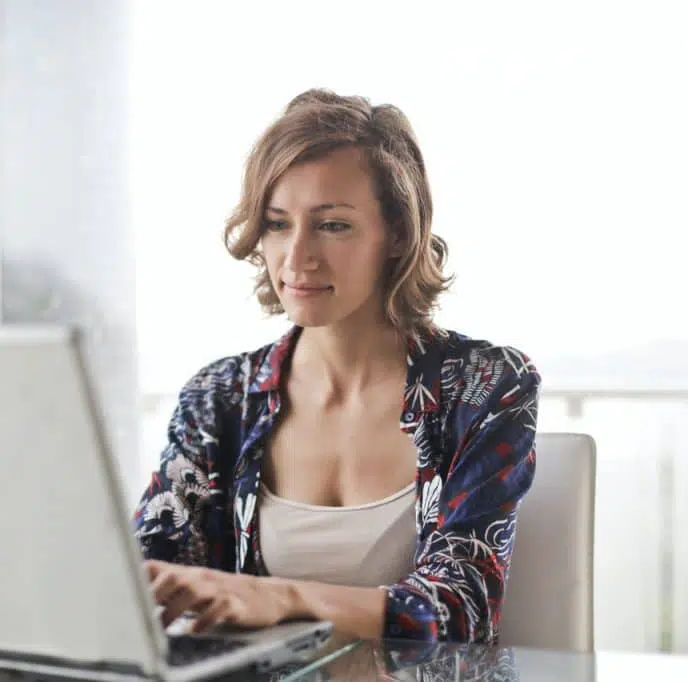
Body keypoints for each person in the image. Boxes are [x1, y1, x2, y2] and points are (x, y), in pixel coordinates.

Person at [131, 88, 540, 645]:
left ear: (397, 234)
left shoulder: (485, 386)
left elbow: (463, 609)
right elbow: (143, 583)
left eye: (333, 225)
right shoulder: (221, 396)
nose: (297, 257)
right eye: (277, 224)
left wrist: (283, 597)